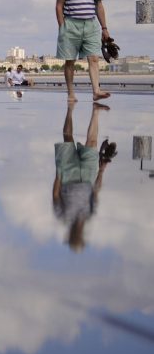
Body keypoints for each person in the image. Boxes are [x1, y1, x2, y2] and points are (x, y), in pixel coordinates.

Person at [53, 102, 114, 251]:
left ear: (71, 235)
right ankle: (96, 111)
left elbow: (55, 195)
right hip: (87, 177)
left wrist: (59, 172)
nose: (78, 235)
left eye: (75, 238)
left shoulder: (63, 216)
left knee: (68, 138)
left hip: (67, 174)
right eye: (80, 238)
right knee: (92, 141)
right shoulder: (89, 214)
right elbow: (95, 192)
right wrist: (101, 171)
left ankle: (70, 110)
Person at [56, 0, 111, 102]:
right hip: (71, 23)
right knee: (70, 60)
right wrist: (62, 26)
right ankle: (71, 93)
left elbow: (99, 5)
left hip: (91, 24)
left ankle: (96, 91)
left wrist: (105, 28)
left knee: (94, 58)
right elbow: (59, 5)